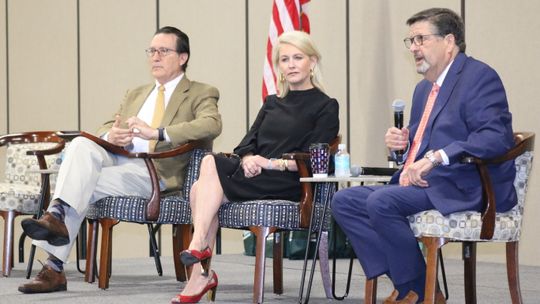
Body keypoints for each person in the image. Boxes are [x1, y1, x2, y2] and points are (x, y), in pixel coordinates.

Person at [18, 26, 222, 294]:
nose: (155, 57)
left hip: (155, 171)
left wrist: (157, 132)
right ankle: (55, 216)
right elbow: (107, 123)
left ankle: (53, 266)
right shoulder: (137, 93)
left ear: (182, 57)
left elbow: (211, 124)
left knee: (81, 184)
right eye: (151, 51)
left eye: (163, 51)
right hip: (117, 160)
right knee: (81, 145)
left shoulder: (200, 92)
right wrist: (111, 134)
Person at [332, 8, 515, 304]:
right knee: (344, 201)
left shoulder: (479, 77)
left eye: (421, 39)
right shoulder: (423, 89)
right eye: (410, 40)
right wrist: (400, 146)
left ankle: (415, 292)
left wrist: (438, 156)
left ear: (449, 41)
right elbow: (420, 142)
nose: (414, 47)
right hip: (424, 184)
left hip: (462, 183)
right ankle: (416, 286)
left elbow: (495, 137)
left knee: (382, 201)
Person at [170, 30, 339, 303]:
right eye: (285, 59)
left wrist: (270, 162)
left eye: (298, 57)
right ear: (279, 67)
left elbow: (316, 158)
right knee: (206, 175)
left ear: (313, 62)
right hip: (253, 176)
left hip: (289, 182)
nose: (291, 64)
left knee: (201, 188)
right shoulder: (273, 102)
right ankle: (199, 263)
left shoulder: (326, 106)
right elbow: (245, 145)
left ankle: (198, 258)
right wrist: (249, 159)